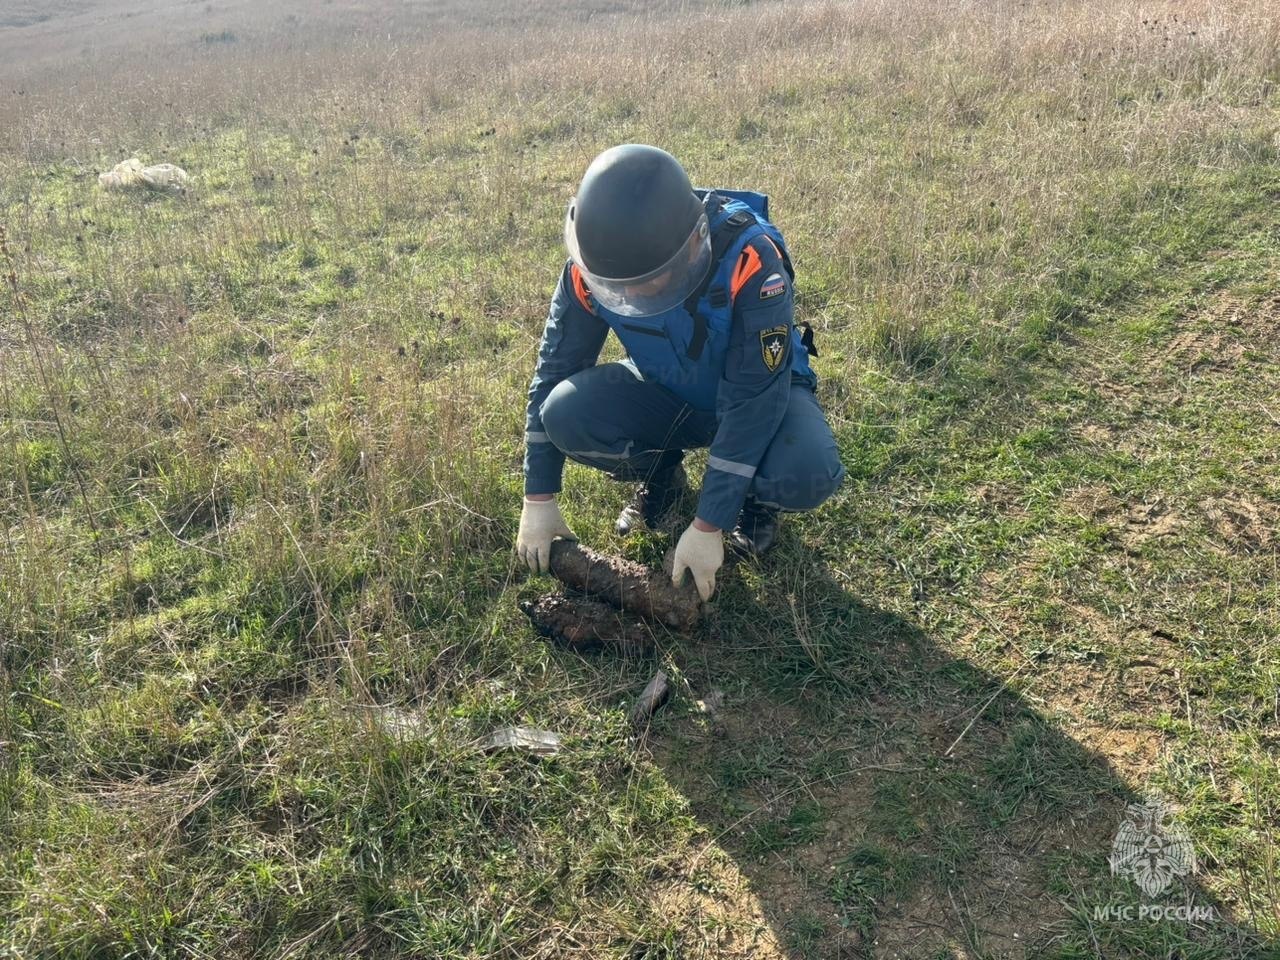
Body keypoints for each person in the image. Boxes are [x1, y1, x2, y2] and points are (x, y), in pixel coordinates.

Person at [516, 144, 845, 601]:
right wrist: (539, 496)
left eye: (650, 281)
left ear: (695, 239)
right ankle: (663, 473)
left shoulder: (750, 260)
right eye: (620, 287)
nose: (633, 295)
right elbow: (555, 368)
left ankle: (753, 500)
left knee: (807, 468)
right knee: (565, 413)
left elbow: (754, 399)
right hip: (670, 390)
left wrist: (710, 523)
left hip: (766, 392)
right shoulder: (594, 267)